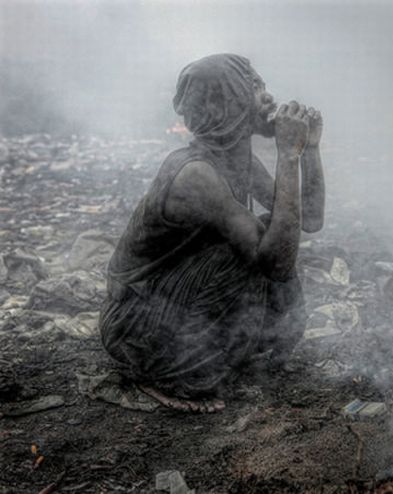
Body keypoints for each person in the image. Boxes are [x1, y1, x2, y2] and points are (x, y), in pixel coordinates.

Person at [98, 54, 325, 413]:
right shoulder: (195, 174)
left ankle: (243, 352)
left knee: (271, 234)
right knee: (244, 251)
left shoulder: (238, 162)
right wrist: (288, 156)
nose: (267, 97)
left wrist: (308, 149)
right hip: (135, 325)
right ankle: (167, 375)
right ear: (225, 104)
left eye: (262, 84)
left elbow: (308, 219)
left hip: (171, 307)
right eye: (252, 88)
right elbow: (276, 262)